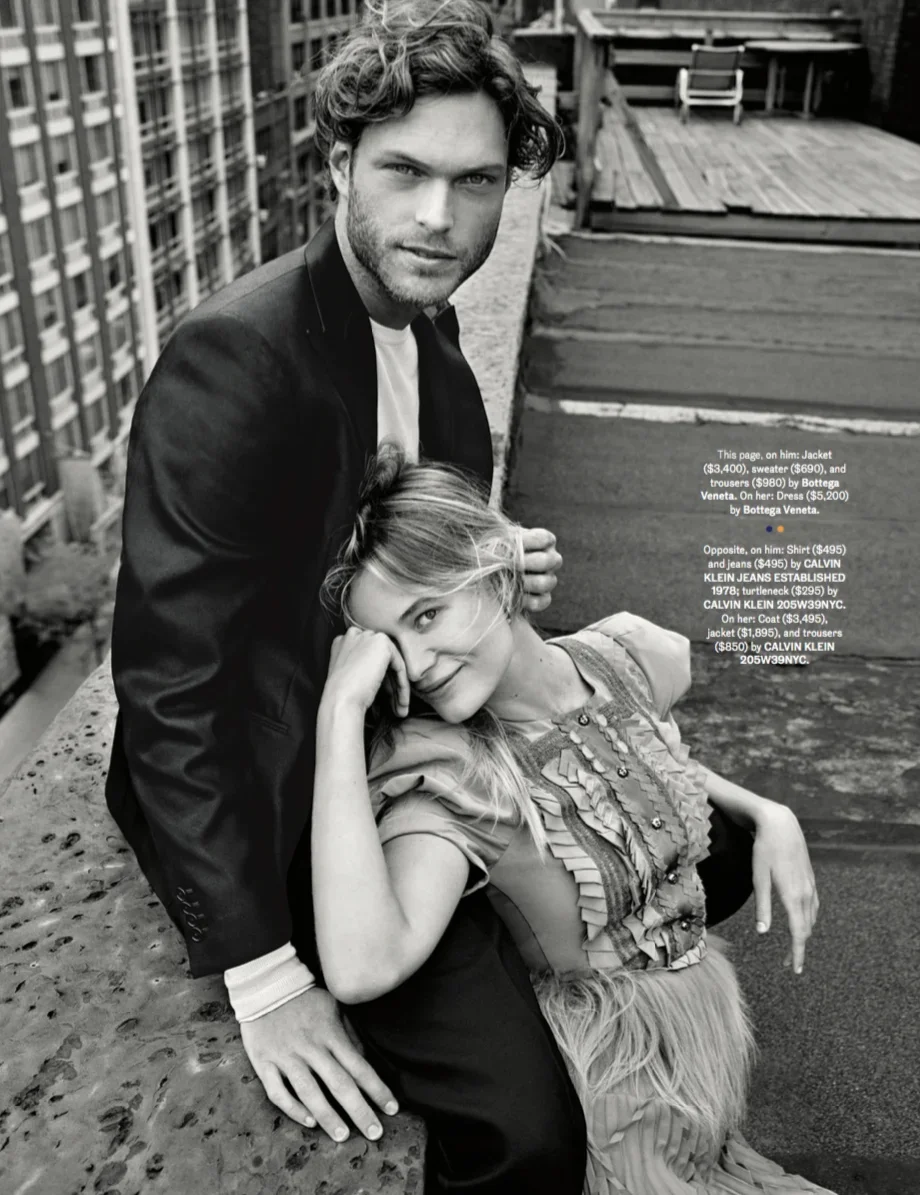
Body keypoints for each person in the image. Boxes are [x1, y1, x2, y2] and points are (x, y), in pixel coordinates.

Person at [105, 0, 749, 1187]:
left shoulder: (434, 333)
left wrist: (494, 564)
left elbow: (408, 536)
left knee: (727, 852)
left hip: (418, 735)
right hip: (285, 782)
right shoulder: (237, 357)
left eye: (476, 180)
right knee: (524, 1135)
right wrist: (261, 976)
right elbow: (168, 681)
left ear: (515, 188)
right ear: (340, 162)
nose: (436, 216)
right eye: (402, 171)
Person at [312, 449, 833, 1195]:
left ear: (497, 573)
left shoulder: (614, 659)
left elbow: (640, 757)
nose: (420, 663)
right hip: (620, 1113)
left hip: (704, 1090)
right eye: (394, 646)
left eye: (427, 614)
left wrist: (764, 808)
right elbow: (364, 966)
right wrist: (340, 711)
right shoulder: (456, 778)